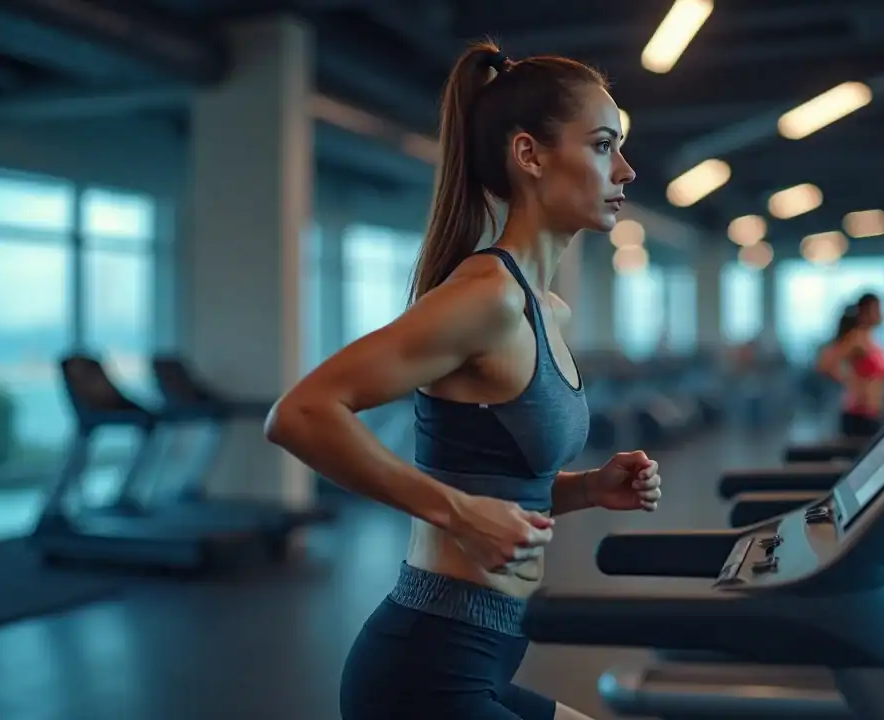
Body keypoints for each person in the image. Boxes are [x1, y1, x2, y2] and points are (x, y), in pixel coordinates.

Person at [264, 42, 657, 720]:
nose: (624, 168)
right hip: (427, 670)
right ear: (530, 155)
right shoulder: (487, 297)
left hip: (486, 657)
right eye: (601, 145)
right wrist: (455, 511)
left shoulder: (543, 308)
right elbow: (299, 413)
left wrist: (588, 489)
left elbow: (497, 484)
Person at [817, 293, 884, 438]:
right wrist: (847, 379)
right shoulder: (857, 339)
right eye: (876, 309)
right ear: (864, 312)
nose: (881, 314)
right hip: (859, 416)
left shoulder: (872, 341)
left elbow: (872, 373)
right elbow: (825, 362)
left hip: (874, 414)